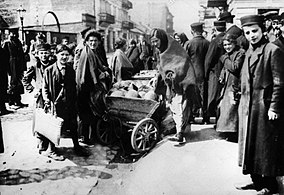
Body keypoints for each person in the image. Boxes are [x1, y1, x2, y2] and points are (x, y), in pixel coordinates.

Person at [237, 14, 284, 194]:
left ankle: (269, 186)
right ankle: (256, 181)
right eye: (247, 32)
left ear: (262, 30)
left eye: (255, 31)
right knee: (250, 146)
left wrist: (274, 107)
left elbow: (280, 82)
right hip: (249, 106)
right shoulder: (249, 51)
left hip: (264, 106)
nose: (251, 35)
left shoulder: (273, 50)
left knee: (266, 148)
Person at [151, 28, 201, 143]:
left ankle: (180, 133)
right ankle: (181, 131)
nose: (154, 44)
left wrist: (173, 74)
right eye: (152, 41)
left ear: (162, 40)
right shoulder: (162, 50)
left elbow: (182, 62)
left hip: (181, 82)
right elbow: (163, 66)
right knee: (175, 107)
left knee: (180, 107)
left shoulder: (174, 48)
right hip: (172, 84)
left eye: (156, 41)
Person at [42, 44, 89, 160]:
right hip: (55, 104)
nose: (64, 57)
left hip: (69, 103)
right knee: (54, 127)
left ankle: (76, 147)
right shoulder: (49, 70)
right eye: (61, 54)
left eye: (66, 55)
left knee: (73, 125)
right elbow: (45, 87)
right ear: (56, 55)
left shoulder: (70, 69)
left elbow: (74, 86)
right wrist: (47, 100)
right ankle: (51, 150)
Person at [76, 30, 111, 144]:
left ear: (99, 42)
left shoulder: (93, 52)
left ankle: (88, 137)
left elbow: (96, 68)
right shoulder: (86, 54)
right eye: (90, 41)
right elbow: (89, 74)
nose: (93, 43)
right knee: (87, 114)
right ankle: (86, 138)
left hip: (88, 88)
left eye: (95, 41)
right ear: (86, 42)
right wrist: (103, 75)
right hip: (85, 89)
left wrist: (104, 70)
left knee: (89, 114)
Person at [22, 43, 55, 155]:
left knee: (51, 119)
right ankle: (41, 142)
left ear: (50, 53)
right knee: (40, 119)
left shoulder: (53, 64)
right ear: (37, 54)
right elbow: (25, 79)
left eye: (46, 53)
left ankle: (51, 144)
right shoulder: (35, 66)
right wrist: (33, 89)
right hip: (40, 97)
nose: (44, 55)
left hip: (52, 95)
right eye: (41, 53)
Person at [216, 34, 245, 135]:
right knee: (225, 108)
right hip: (227, 84)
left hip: (234, 84)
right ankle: (226, 131)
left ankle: (233, 132)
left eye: (229, 44)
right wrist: (221, 76)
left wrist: (224, 59)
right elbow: (225, 69)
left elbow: (234, 67)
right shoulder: (228, 54)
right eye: (225, 45)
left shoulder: (239, 54)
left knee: (232, 109)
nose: (227, 47)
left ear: (234, 43)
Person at [186, 23, 210, 123]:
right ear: (202, 31)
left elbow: (184, 60)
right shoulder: (207, 43)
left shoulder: (189, 43)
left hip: (192, 73)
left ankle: (191, 116)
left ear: (192, 32)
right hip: (205, 73)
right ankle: (206, 117)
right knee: (204, 94)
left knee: (191, 94)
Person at [204, 21, 226, 124]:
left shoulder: (215, 41)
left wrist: (206, 73)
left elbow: (208, 59)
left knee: (213, 96)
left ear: (215, 28)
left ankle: (213, 119)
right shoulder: (228, 39)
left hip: (215, 71)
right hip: (226, 70)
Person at [2, 30, 28, 109]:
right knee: (12, 83)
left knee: (19, 83)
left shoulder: (19, 42)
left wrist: (24, 66)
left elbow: (22, 55)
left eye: (15, 33)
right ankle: (11, 101)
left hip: (19, 65)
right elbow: (4, 56)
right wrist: (6, 68)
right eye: (12, 33)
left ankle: (18, 100)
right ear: (9, 34)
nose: (14, 35)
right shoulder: (7, 43)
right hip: (11, 65)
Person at [0, 46, 12, 115]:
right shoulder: (3, 51)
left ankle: (3, 109)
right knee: (2, 91)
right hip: (2, 74)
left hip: (2, 74)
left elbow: (6, 63)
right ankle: (2, 109)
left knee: (2, 91)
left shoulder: (2, 51)